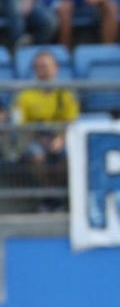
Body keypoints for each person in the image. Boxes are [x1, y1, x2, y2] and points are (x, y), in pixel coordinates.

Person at [11, 50, 78, 212]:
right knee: (36, 156)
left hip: (60, 136)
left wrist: (60, 139)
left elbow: (71, 121)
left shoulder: (66, 93)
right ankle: (50, 197)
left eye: (47, 66)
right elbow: (19, 123)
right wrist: (38, 138)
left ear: (56, 68)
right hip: (33, 137)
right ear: (34, 69)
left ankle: (57, 197)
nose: (44, 69)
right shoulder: (24, 94)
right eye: (40, 66)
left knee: (67, 155)